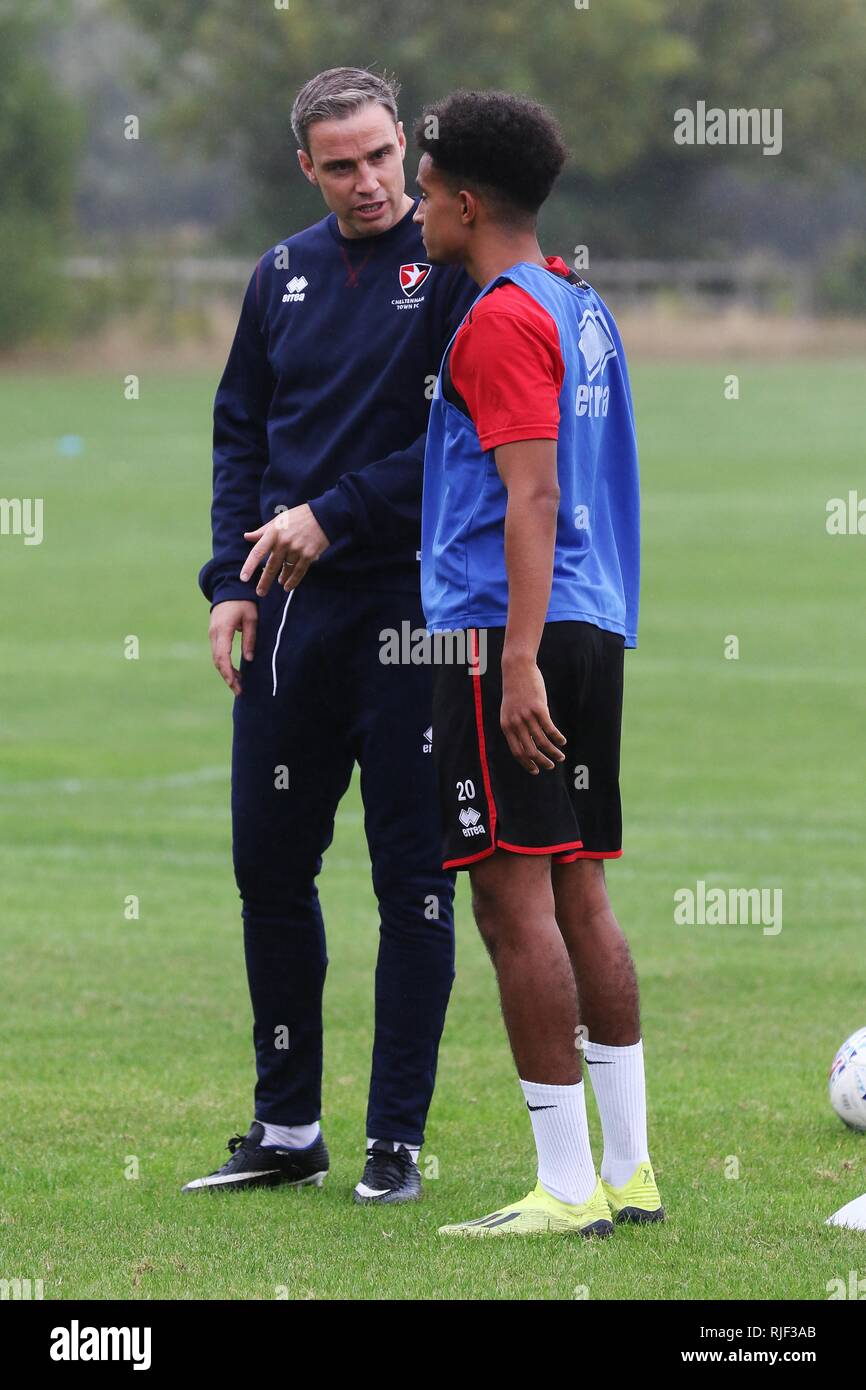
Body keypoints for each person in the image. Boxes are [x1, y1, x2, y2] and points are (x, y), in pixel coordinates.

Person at [183, 68, 476, 1203]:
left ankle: (391, 1142)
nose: (366, 182)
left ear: (406, 145)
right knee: (268, 866)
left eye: (380, 157)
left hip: (413, 616)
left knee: (410, 881)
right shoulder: (281, 274)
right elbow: (238, 435)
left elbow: (462, 444)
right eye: (339, 164)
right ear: (304, 166)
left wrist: (333, 513)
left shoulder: (452, 271)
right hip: (291, 620)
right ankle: (285, 1123)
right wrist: (229, 580)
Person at [413, 89, 664, 1235]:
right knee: (578, 886)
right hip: (592, 619)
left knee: (510, 899)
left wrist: (512, 661)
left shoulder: (504, 316)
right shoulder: (582, 303)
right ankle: (628, 1171)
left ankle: (565, 1191)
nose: (414, 210)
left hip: (506, 632)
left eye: (422, 190)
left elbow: (532, 493)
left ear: (466, 204)